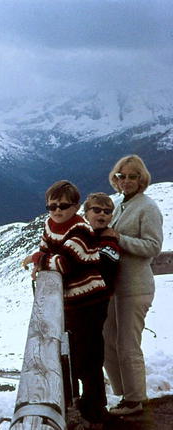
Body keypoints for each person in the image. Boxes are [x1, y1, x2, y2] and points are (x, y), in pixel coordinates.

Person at [22, 180, 111, 427]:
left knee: (89, 356)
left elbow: (65, 264)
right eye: (51, 206)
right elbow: (47, 248)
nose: (57, 211)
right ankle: (78, 402)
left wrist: (38, 259)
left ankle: (95, 408)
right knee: (74, 353)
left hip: (89, 301)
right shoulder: (51, 225)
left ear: (76, 206)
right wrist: (42, 261)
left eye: (63, 205)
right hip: (72, 302)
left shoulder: (81, 230)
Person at [102, 155, 163, 416]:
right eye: (121, 176)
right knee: (108, 340)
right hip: (116, 287)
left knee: (128, 343)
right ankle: (123, 392)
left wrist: (119, 238)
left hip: (135, 287)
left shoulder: (147, 207)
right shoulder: (119, 204)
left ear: (142, 179)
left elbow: (153, 246)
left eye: (132, 176)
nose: (125, 181)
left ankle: (135, 400)